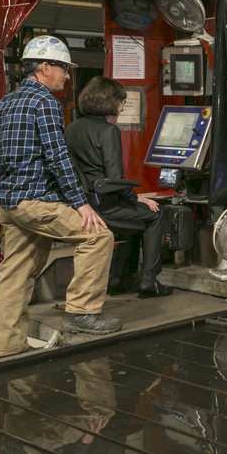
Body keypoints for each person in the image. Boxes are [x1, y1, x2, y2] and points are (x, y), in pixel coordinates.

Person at [0, 35, 120, 360]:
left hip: (10, 204)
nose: (68, 76)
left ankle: (8, 347)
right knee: (98, 237)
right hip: (36, 200)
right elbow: (58, 157)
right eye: (63, 68)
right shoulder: (45, 102)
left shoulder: (5, 102)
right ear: (44, 67)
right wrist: (80, 203)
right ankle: (83, 313)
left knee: (15, 273)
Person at [65, 76, 172, 299]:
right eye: (121, 102)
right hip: (103, 205)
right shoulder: (108, 131)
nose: (123, 107)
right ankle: (149, 281)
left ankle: (119, 278)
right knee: (154, 214)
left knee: (134, 222)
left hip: (83, 203)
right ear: (109, 102)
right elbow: (114, 179)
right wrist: (136, 197)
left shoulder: (72, 128)